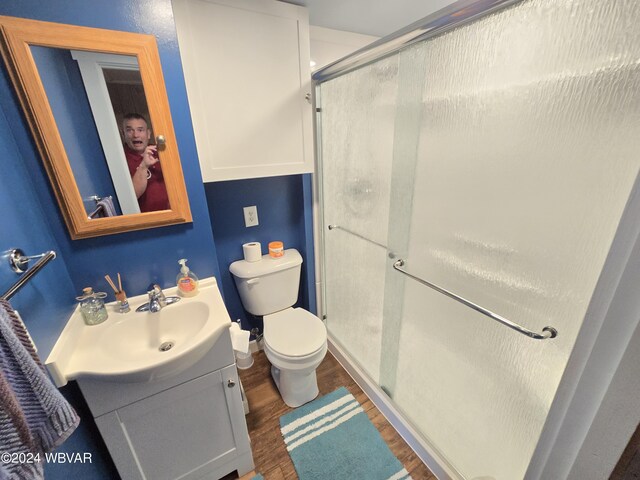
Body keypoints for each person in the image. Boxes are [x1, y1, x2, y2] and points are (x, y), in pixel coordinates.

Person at [122, 113, 169, 212]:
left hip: (174, 215)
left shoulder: (162, 152)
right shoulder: (121, 161)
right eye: (130, 130)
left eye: (140, 130)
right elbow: (130, 197)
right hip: (147, 221)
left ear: (148, 134)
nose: (136, 135)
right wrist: (144, 166)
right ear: (123, 134)